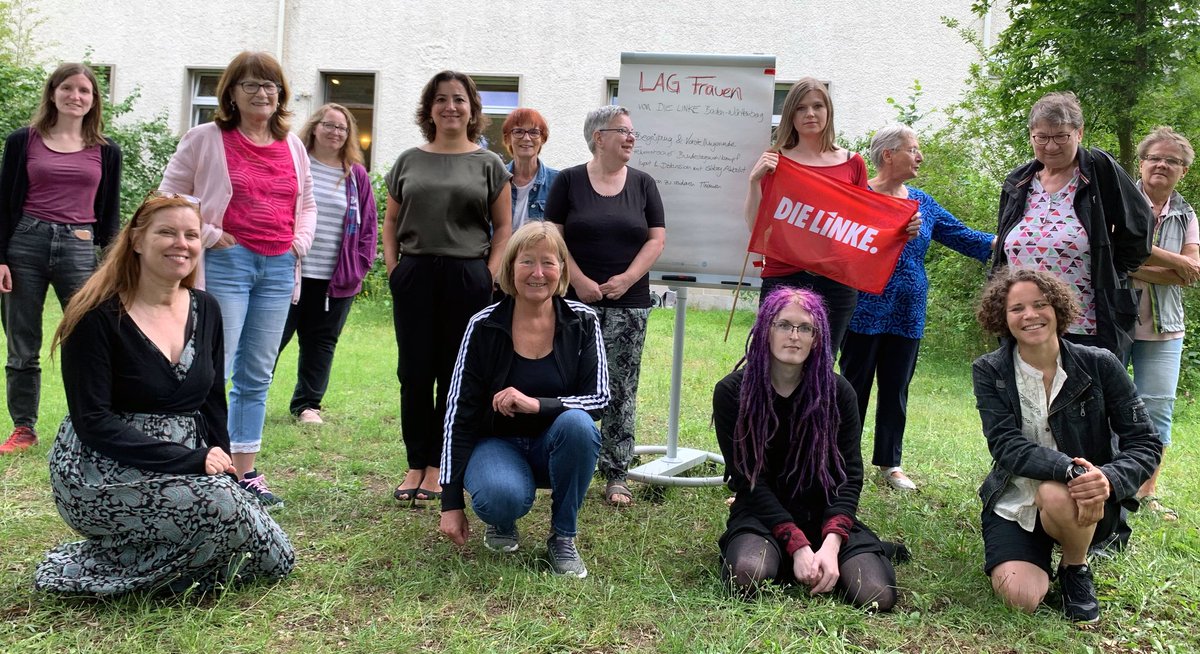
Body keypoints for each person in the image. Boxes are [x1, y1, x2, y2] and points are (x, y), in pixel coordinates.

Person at [34, 194, 295, 594]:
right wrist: (192, 460)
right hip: (101, 469)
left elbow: (212, 400)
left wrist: (225, 465)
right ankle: (92, 566)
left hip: (187, 461)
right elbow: (93, 422)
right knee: (223, 510)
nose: (182, 244)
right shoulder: (95, 314)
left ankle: (163, 556)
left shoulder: (206, 308)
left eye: (191, 235)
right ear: (137, 240)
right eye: (167, 233)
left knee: (277, 557)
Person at [159, 51, 316, 509]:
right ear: (231, 92)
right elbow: (169, 196)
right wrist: (208, 234)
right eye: (250, 84)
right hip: (226, 263)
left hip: (278, 266)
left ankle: (245, 473)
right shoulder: (205, 139)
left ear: (280, 94)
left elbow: (307, 205)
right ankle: (204, 464)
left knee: (257, 373)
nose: (261, 93)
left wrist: (299, 243)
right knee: (214, 368)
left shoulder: (293, 146)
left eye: (270, 85)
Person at [972, 268, 1160, 624]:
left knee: (1057, 493)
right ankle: (1035, 551)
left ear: (1058, 309)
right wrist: (1069, 469)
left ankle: (1075, 566)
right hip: (1016, 498)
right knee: (1020, 598)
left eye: (1040, 304)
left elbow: (1144, 442)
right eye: (1017, 308)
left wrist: (1107, 479)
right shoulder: (990, 370)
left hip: (1086, 500)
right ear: (1002, 317)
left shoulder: (1100, 363)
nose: (1030, 315)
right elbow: (1005, 445)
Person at [438, 222, 609, 577]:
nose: (537, 273)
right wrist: (450, 502)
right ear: (510, 267)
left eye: (548, 262)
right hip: (496, 442)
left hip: (555, 444)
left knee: (579, 424)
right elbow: (458, 413)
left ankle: (563, 536)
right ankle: (502, 519)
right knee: (501, 497)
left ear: (562, 269)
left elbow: (599, 398)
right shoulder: (483, 324)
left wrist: (537, 404)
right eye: (527, 261)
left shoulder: (583, 320)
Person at [714, 286, 897, 609]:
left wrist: (832, 542)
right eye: (784, 325)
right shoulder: (733, 392)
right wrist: (796, 543)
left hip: (823, 512)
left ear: (817, 338)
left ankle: (838, 553)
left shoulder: (838, 392)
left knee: (876, 595)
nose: (794, 336)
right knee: (746, 575)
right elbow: (747, 478)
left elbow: (850, 475)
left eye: (805, 328)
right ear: (765, 330)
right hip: (762, 514)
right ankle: (786, 555)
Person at [840, 124, 994, 491]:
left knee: (896, 387)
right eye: (913, 149)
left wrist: (1015, 240)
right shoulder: (857, 196)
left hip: (908, 310)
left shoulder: (922, 201)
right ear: (888, 155)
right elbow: (841, 245)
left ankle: (890, 464)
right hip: (863, 309)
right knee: (852, 387)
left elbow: (964, 236)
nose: (920, 157)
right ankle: (843, 460)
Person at [383, 71, 512, 505]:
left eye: (459, 99)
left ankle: (441, 464)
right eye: (441, 99)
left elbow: (504, 227)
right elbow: (390, 221)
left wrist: (490, 273)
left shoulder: (489, 164)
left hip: (467, 276)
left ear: (472, 109)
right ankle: (415, 462)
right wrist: (394, 268)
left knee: (455, 373)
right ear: (429, 108)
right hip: (415, 274)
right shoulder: (408, 161)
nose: (450, 106)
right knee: (414, 372)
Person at [545, 105, 665, 507]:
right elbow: (553, 237)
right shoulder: (568, 181)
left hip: (629, 303)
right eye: (623, 131)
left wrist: (627, 279)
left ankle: (616, 473)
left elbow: (656, 240)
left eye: (632, 132)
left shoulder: (644, 184)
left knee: (621, 387)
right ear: (599, 137)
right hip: (574, 304)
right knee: (567, 383)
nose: (631, 138)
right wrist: (577, 280)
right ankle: (564, 463)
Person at [745, 78, 918, 354]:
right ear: (790, 114)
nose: (810, 114)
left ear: (829, 111)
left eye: (817, 106)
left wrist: (901, 230)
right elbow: (755, 226)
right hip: (783, 276)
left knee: (823, 364)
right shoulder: (776, 160)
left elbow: (862, 225)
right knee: (773, 359)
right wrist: (755, 181)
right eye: (801, 108)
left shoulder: (852, 163)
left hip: (836, 284)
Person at [0, 63, 122, 455]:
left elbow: (110, 214)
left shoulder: (107, 150)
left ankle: (93, 425)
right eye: (67, 88)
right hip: (25, 244)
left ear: (94, 99)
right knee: (22, 343)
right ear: (53, 93)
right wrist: (0, 258)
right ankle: (24, 428)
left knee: (89, 337)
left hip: (80, 246)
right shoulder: (23, 141)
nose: (75, 96)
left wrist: (112, 263)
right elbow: (4, 203)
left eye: (84, 90)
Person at [993, 91, 1153, 362]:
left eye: (1061, 136)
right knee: (1026, 389)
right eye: (1041, 137)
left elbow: (1139, 227)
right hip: (1024, 326)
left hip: (1085, 325)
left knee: (1086, 389)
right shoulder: (1018, 181)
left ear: (1079, 133)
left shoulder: (1099, 173)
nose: (1051, 146)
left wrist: (1110, 267)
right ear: (1031, 136)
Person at [277, 103, 378, 425]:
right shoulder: (295, 162)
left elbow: (369, 226)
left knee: (321, 343)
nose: (336, 132)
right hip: (287, 272)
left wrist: (359, 266)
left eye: (342, 128)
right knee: (270, 340)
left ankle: (308, 405)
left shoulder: (354, 175)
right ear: (315, 127)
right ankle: (249, 399)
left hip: (334, 279)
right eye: (329, 125)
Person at [1128, 126, 1198, 520]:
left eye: (1172, 161)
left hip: (1164, 326)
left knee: (1157, 410)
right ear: (1141, 163)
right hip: (1113, 319)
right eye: (1154, 157)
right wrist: (1174, 262)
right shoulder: (1121, 201)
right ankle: (1103, 483)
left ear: (1183, 171)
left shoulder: (1187, 214)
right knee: (1099, 404)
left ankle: (1146, 493)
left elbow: (1193, 273)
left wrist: (1134, 266)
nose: (1161, 165)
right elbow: (1114, 255)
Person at [502, 108, 559, 232]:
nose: (527, 138)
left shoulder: (558, 182)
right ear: (508, 138)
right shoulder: (496, 179)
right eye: (518, 131)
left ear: (542, 139)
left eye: (534, 132)